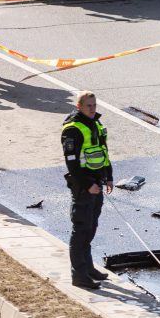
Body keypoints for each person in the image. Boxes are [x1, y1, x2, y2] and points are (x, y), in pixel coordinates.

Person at [61, 91, 112, 290]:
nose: (92, 109)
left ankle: (89, 268)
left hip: (97, 183)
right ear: (79, 106)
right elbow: (71, 164)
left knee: (91, 228)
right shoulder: (72, 130)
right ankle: (79, 275)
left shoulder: (96, 124)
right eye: (88, 106)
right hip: (83, 187)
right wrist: (86, 184)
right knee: (81, 230)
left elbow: (104, 153)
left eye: (94, 105)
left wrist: (109, 177)